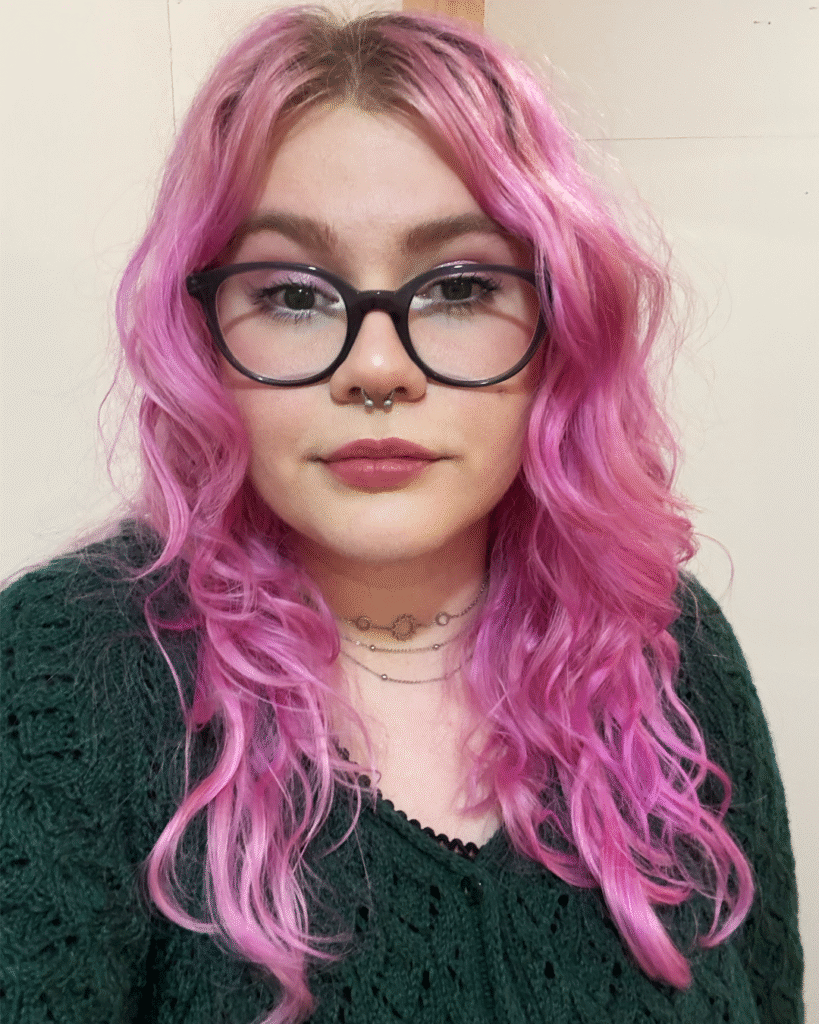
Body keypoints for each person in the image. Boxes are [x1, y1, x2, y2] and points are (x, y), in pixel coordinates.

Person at [0, 6, 804, 1023]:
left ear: (558, 325)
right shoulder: (68, 670)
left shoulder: (668, 646)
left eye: (459, 287)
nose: (377, 368)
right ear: (201, 337)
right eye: (293, 295)